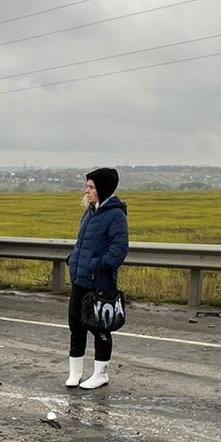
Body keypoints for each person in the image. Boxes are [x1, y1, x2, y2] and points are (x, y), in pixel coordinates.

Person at [65, 167, 129, 390]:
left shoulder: (116, 215)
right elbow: (81, 243)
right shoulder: (90, 212)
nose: (87, 190)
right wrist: (73, 260)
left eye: (91, 187)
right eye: (87, 186)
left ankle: (101, 374)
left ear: (102, 189)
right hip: (80, 279)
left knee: (99, 327)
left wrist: (95, 266)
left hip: (100, 282)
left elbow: (119, 250)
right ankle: (75, 373)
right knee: (76, 325)